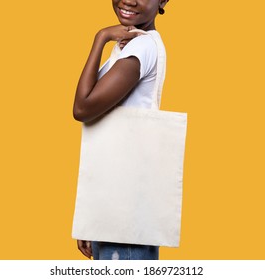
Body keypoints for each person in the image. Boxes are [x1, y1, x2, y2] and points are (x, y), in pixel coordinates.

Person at [73, 0, 169, 260]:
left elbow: (82, 108)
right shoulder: (128, 44)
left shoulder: (143, 46)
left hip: (126, 207)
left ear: (162, 2)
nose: (129, 0)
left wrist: (100, 37)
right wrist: (90, 215)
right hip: (114, 198)